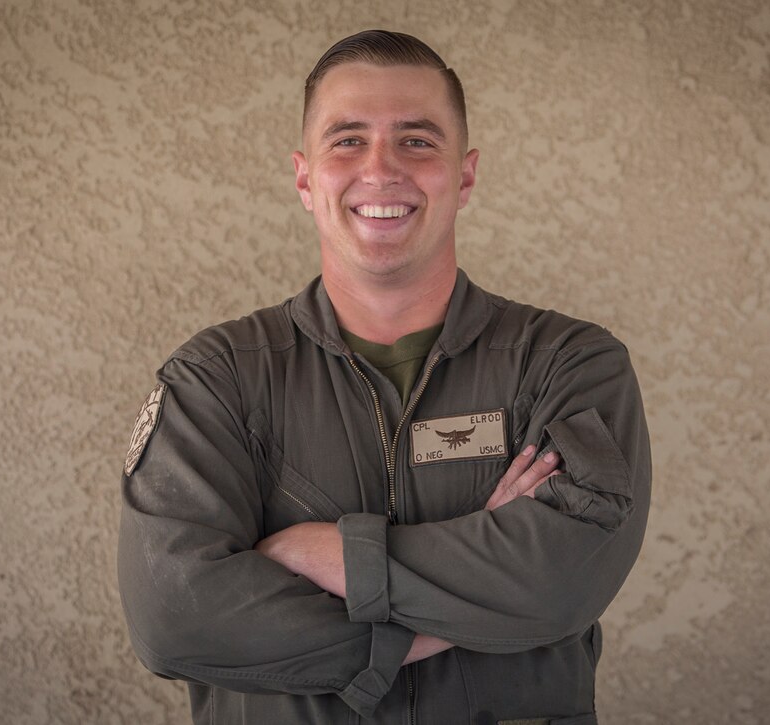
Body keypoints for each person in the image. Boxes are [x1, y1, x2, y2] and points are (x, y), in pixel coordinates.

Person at [118, 29, 650, 725]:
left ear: (464, 175)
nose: (381, 168)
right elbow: (174, 615)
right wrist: (458, 607)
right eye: (347, 140)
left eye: (418, 140)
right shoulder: (216, 381)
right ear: (306, 178)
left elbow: (563, 578)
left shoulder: (568, 364)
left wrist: (329, 554)